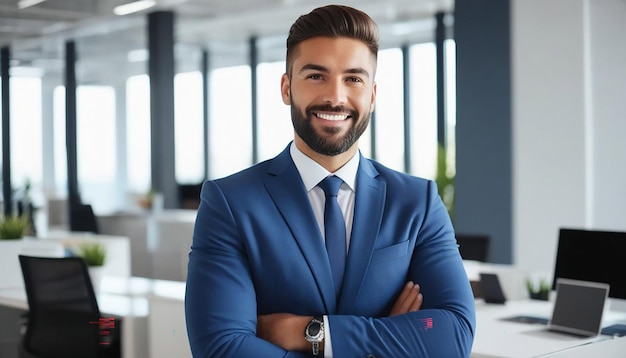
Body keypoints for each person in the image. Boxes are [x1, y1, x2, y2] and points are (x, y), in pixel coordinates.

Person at [185, 4, 475, 357]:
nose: (335, 97)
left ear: (372, 94)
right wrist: (392, 339)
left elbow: (453, 334)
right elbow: (222, 348)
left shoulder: (417, 201)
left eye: (353, 78)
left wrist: (312, 334)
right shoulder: (230, 203)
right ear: (286, 88)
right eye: (316, 76)